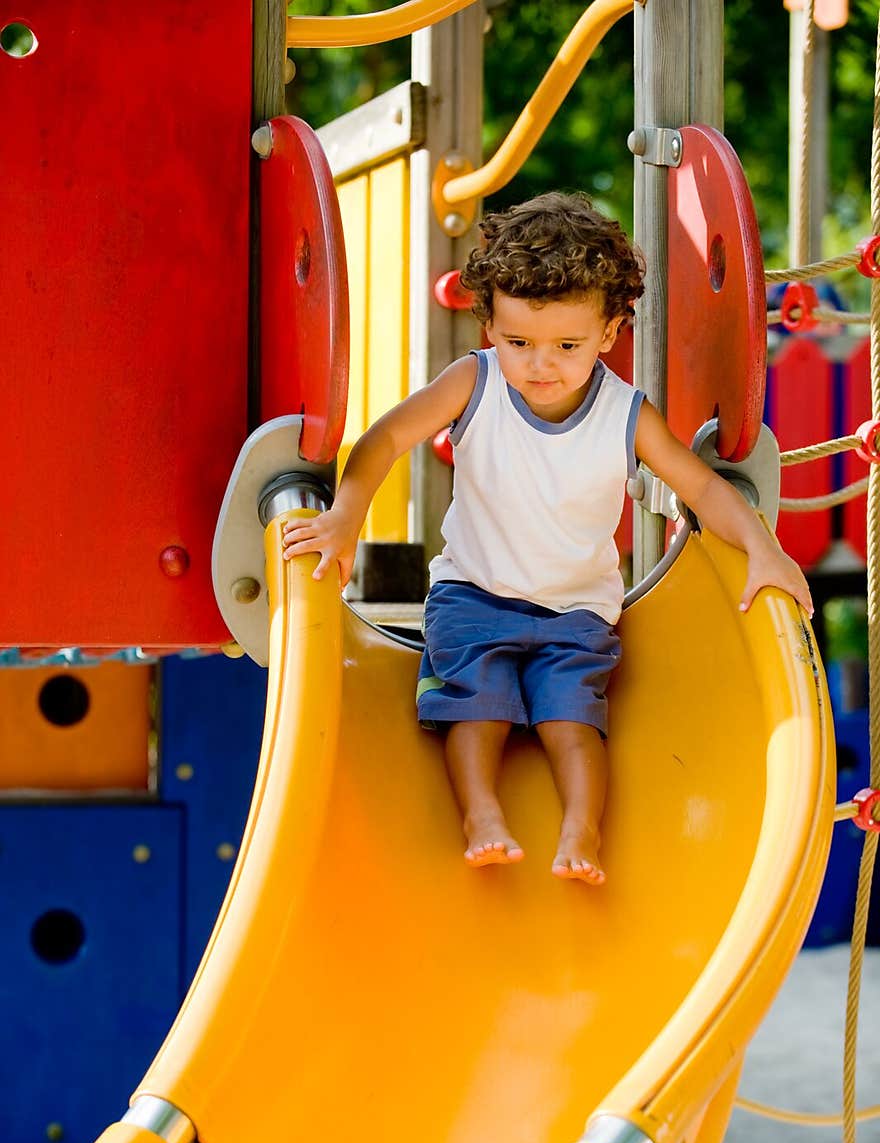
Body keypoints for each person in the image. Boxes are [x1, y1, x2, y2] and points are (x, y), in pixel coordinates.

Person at [282, 191, 813, 885]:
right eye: (518, 343)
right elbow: (386, 439)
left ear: (610, 333)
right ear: (489, 327)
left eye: (566, 346)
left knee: (574, 723)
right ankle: (480, 813)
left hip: (577, 612)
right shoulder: (472, 385)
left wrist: (764, 548)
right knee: (473, 709)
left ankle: (581, 831)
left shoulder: (626, 414)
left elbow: (706, 488)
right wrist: (349, 513)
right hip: (472, 597)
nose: (540, 366)